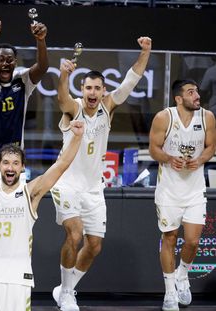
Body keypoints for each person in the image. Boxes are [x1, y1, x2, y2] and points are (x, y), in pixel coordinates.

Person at [50, 36, 152, 311]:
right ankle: (68, 294)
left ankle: (64, 288)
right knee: (75, 234)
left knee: (94, 246)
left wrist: (145, 52)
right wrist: (63, 76)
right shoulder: (74, 108)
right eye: (88, 88)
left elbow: (131, 79)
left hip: (94, 188)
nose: (92, 92)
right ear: (81, 90)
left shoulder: (108, 107)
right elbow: (61, 98)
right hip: (67, 183)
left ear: (103, 90)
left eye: (97, 88)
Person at [0, 119, 84, 311]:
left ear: (22, 167)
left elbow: (61, 164)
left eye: (15, 163)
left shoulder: (31, 192)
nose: (10, 168)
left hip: (16, 278)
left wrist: (77, 137)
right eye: (5, 163)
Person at [149, 79, 216, 311]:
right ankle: (169, 293)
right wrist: (168, 158)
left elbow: (211, 146)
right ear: (179, 99)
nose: (197, 95)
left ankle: (182, 275)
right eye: (191, 92)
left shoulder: (207, 117)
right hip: (168, 190)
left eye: (197, 90)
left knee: (193, 240)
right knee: (169, 238)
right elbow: (153, 148)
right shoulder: (163, 118)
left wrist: (202, 159)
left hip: (195, 189)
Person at [0, 20, 48, 208]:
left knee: (12, 211)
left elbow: (43, 67)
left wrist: (41, 40)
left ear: (16, 62)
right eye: (1, 59)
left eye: (10, 60)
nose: (5, 63)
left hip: (12, 158)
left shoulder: (22, 82)